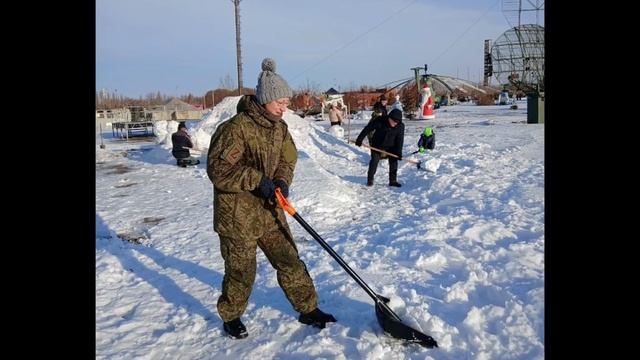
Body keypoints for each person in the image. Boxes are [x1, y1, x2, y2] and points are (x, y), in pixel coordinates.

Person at [207, 57, 336, 339]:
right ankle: (231, 315)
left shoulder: (280, 128)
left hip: (269, 209)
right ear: (266, 98)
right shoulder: (235, 128)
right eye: (280, 101)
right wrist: (256, 179)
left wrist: (280, 181)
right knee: (241, 270)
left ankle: (308, 308)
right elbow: (218, 171)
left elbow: (288, 159)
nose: (284, 106)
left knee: (290, 259)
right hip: (237, 215)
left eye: (286, 101)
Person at [355, 108, 405, 187]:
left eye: (397, 122)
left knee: (394, 162)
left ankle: (393, 180)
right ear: (389, 117)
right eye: (394, 121)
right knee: (374, 161)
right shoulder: (380, 121)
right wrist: (359, 139)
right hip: (377, 144)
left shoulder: (400, 126)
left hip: (391, 146)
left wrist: (399, 153)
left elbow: (400, 140)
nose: (395, 123)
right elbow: (368, 128)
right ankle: (370, 179)